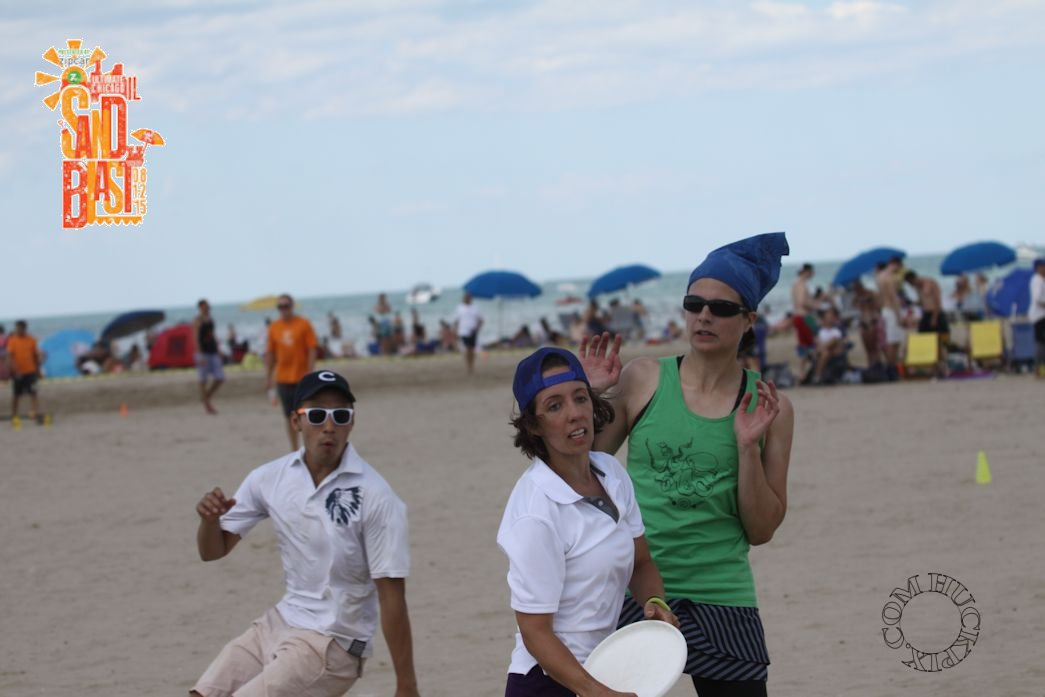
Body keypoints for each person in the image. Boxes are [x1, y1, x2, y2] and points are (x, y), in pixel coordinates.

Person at [580, 232, 794, 696]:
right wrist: (587, 398)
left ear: (749, 320)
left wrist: (746, 447)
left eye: (721, 308)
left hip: (723, 594)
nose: (704, 316)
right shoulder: (644, 379)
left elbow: (761, 530)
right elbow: (579, 471)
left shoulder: (768, 407)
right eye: (694, 304)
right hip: (636, 586)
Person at [191, 370, 421, 697]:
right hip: (280, 621)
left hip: (335, 641)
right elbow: (212, 551)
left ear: (351, 424)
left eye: (340, 416)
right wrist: (209, 521)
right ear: (296, 421)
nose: (329, 426)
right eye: (316, 415)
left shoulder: (376, 496)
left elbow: (392, 595)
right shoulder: (269, 478)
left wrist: (406, 685)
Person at [499, 347, 678, 697]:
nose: (575, 414)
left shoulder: (611, 472)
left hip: (605, 670)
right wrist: (595, 691)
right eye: (555, 406)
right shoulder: (535, 512)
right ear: (533, 425)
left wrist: (655, 603)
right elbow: (535, 632)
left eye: (580, 398)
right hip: (547, 682)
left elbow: (642, 563)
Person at [266, 294, 318, 449]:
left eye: (286, 305)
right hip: (283, 379)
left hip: (301, 377)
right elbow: (271, 353)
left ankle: (309, 446)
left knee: (306, 413)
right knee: (289, 416)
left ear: (292, 306)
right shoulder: (274, 327)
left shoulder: (303, 324)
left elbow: (312, 348)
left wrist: (310, 372)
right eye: (280, 306)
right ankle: (294, 448)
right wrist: (268, 377)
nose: (283, 309)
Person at [904, 270, 949, 364]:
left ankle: (942, 363)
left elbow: (937, 301)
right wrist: (910, 303)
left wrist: (935, 317)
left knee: (939, 340)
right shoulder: (917, 287)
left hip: (936, 313)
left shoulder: (930, 283)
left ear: (914, 278)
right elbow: (922, 302)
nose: (911, 285)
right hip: (925, 314)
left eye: (911, 283)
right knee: (924, 338)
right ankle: (931, 362)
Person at [7, 320, 44, 420]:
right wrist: (13, 369)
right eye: (16, 329)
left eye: (19, 329)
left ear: (24, 329)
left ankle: (34, 412)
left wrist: (38, 370)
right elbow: (10, 356)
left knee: (33, 393)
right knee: (16, 395)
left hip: (30, 372)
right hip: (18, 373)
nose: (17, 330)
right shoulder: (12, 340)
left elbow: (36, 356)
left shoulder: (31, 340)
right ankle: (14, 414)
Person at [193, 299, 225, 415]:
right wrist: (200, 354)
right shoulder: (198, 320)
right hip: (203, 352)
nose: (208, 308)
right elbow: (196, 337)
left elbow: (213, 334)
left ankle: (206, 397)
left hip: (213, 351)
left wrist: (218, 348)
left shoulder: (210, 319)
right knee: (203, 380)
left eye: (208, 306)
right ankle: (207, 404)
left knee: (220, 378)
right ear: (201, 307)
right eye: (206, 306)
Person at [453, 291, 484, 373]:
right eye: (466, 297)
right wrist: (455, 331)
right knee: (467, 348)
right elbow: (456, 321)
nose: (467, 299)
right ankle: (468, 365)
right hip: (463, 331)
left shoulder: (475, 308)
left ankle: (471, 364)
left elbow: (481, 320)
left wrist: (477, 328)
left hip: (473, 331)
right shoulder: (460, 308)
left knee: (472, 349)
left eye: (468, 297)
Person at [1030, 258, 1045, 379]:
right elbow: (1037, 299)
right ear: (1038, 268)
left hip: (1040, 315)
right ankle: (1037, 369)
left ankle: (1039, 369)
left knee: (1041, 342)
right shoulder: (1037, 280)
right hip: (1039, 315)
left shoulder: (1041, 280)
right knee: (1041, 342)